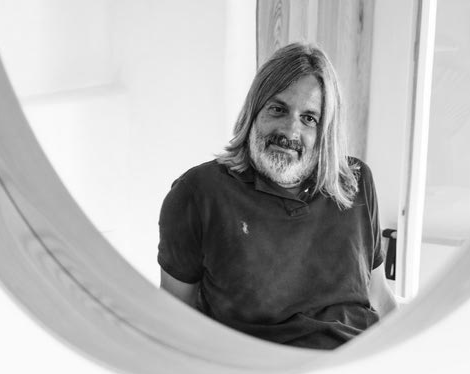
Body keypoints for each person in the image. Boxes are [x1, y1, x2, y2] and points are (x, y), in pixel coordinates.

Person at [158, 42, 396, 350]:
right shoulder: (198, 193)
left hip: (358, 363)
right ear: (254, 112)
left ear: (325, 132)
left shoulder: (356, 181)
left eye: (309, 118)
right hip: (265, 371)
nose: (290, 131)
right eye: (278, 109)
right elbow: (174, 314)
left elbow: (378, 295)